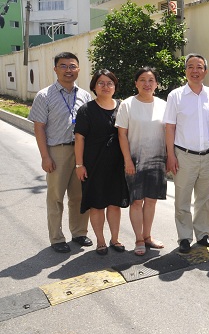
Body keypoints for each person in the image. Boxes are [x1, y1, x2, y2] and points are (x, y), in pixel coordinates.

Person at [28, 52, 93, 253]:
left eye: (72, 66)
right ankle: (56, 238)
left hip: (81, 152)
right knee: (56, 197)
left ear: (78, 69)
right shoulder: (44, 95)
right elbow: (39, 127)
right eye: (63, 66)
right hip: (58, 151)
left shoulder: (85, 95)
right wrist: (45, 157)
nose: (68, 70)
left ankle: (79, 232)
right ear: (55, 69)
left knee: (79, 195)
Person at [163, 53, 209, 254]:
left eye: (199, 67)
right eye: (191, 67)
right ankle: (185, 237)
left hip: (208, 154)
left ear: (206, 71)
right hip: (184, 155)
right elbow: (169, 127)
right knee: (182, 200)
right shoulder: (175, 96)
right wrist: (170, 155)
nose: (195, 71)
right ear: (185, 70)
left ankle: (203, 234)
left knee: (204, 198)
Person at [74, 70, 130, 255]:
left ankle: (115, 239)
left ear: (115, 86)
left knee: (114, 203)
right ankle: (100, 241)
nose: (106, 87)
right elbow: (80, 138)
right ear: (94, 86)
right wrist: (79, 165)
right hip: (93, 164)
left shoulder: (122, 106)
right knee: (97, 204)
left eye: (110, 83)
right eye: (101, 83)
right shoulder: (86, 110)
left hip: (116, 165)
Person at [116, 67, 167, 256]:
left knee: (151, 200)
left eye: (151, 80)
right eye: (143, 80)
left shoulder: (163, 105)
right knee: (136, 201)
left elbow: (169, 132)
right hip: (134, 161)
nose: (147, 84)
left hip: (157, 161)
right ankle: (138, 239)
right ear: (136, 83)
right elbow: (122, 135)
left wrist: (169, 158)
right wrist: (127, 160)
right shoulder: (127, 105)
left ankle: (147, 236)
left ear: (157, 84)